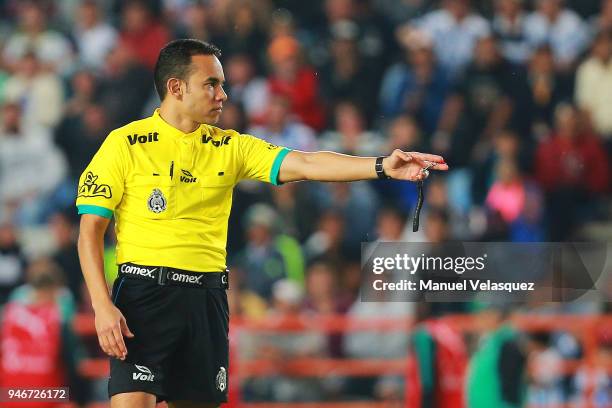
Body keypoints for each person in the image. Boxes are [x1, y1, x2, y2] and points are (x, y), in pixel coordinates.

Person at [76, 39, 448, 408]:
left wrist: (382, 166)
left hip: (206, 299)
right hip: (144, 296)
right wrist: (102, 305)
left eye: (222, 84)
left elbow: (307, 163)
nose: (223, 95)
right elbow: (89, 231)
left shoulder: (231, 147)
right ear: (176, 87)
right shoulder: (124, 144)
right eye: (211, 84)